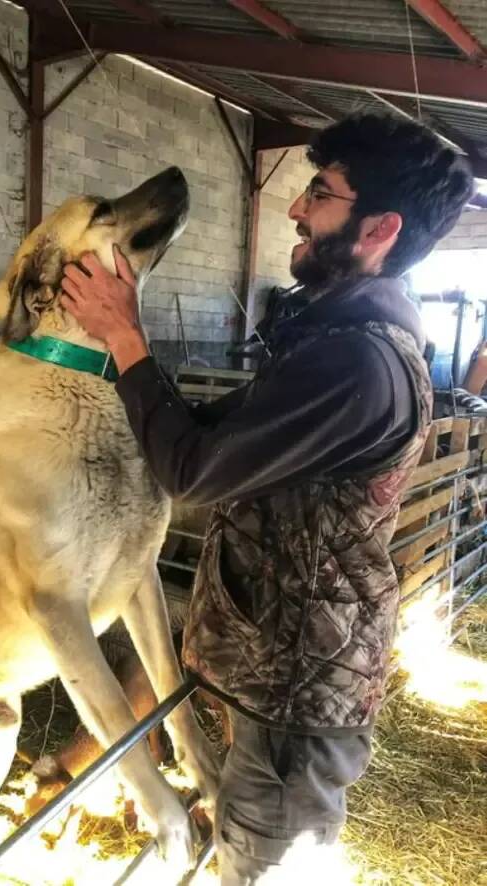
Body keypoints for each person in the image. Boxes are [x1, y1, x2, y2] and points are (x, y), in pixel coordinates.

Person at [59, 112, 474, 884]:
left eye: (320, 193)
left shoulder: (354, 361)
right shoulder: (329, 338)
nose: (294, 209)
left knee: (268, 863)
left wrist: (125, 337)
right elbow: (214, 432)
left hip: (296, 689)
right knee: (248, 838)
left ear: (380, 227)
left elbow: (193, 469)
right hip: (276, 665)